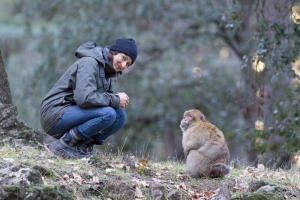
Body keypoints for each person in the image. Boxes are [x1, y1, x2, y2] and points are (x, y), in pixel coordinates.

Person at [39, 38, 138, 159]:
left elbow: (98, 100)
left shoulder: (107, 73)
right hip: (54, 115)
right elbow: (84, 98)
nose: (123, 65)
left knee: (120, 116)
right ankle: (62, 145)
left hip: (71, 113)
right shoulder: (89, 62)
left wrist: (114, 98)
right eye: (123, 58)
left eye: (128, 64)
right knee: (109, 113)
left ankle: (80, 147)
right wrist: (115, 99)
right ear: (114, 51)